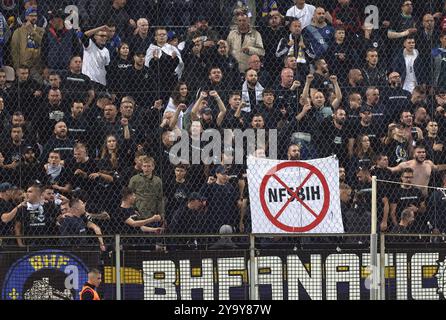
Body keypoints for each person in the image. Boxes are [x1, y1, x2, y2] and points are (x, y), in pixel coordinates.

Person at [10, 7, 45, 79]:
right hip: (23, 66)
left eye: (35, 16)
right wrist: (17, 67)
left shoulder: (41, 31)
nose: (34, 18)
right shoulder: (18, 31)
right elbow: (14, 51)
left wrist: (32, 31)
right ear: (26, 17)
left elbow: (44, 43)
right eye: (31, 16)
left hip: (37, 66)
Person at [388, 168, 426, 232]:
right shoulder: (396, 192)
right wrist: (398, 227)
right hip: (402, 225)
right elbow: (392, 213)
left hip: (417, 225)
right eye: (406, 177)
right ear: (402, 177)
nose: (408, 179)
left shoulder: (417, 191)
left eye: (411, 177)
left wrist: (417, 209)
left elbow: (424, 208)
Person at [81, 25, 111, 89]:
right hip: (89, 80)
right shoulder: (90, 45)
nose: (104, 38)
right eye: (101, 36)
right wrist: (101, 28)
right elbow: (84, 35)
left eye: (105, 36)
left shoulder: (106, 50)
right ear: (95, 36)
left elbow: (107, 67)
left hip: (102, 82)